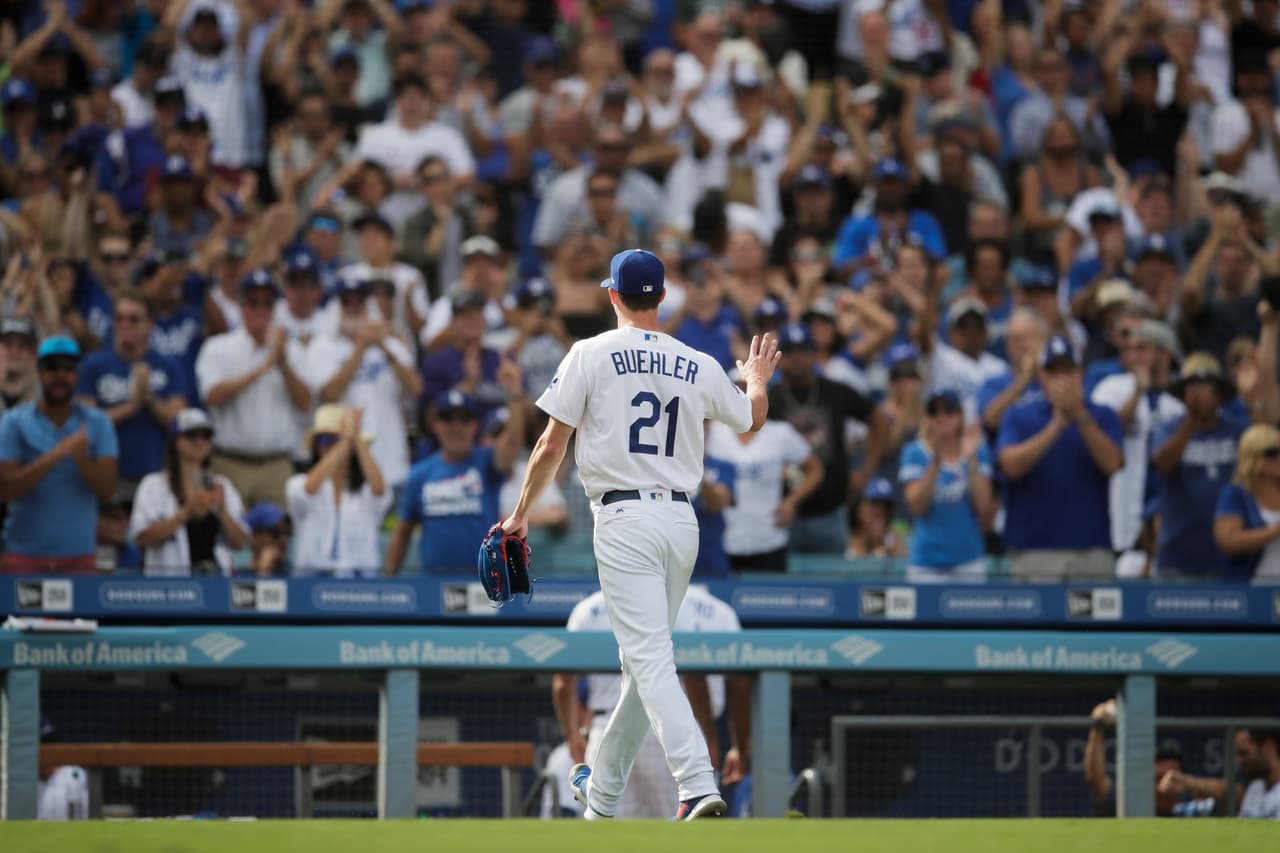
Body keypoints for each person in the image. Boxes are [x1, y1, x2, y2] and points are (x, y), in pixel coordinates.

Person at [499, 248, 780, 820]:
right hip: (682, 521)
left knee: (649, 658)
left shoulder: (590, 352)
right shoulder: (696, 360)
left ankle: (697, 782)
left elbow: (553, 443)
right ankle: (601, 798)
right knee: (639, 664)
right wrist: (754, 379)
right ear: (663, 297)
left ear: (612, 295)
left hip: (625, 518)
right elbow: (752, 417)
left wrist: (521, 512)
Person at [553, 585, 748, 819]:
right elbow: (695, 679)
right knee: (681, 835)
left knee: (609, 835)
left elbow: (563, 684)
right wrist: (708, 736)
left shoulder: (587, 610)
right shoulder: (678, 604)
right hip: (664, 728)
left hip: (606, 730)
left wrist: (573, 735)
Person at [997, 336, 1124, 582]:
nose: (1059, 377)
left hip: (1090, 552)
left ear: (1080, 373)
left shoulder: (1103, 415)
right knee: (1036, 621)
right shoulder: (1018, 416)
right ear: (1040, 376)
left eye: (1066, 369)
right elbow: (1010, 466)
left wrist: (1078, 415)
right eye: (1051, 370)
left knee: (1090, 621)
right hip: (1033, 552)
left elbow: (1113, 464)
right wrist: (1056, 426)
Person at [195, 269, 313, 508]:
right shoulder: (218, 348)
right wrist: (261, 369)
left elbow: (305, 403)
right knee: (228, 539)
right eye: (253, 302)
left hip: (276, 464)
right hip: (229, 461)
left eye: (267, 303)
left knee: (279, 537)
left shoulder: (293, 351)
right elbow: (212, 396)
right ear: (241, 306)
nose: (260, 310)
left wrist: (283, 365)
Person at [767, 321, 886, 554]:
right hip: (785, 512)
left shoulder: (835, 391)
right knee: (783, 589)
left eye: (804, 351)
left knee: (834, 584)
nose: (798, 358)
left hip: (831, 510)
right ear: (779, 359)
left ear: (815, 355)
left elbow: (879, 420)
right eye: (790, 352)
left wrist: (867, 470)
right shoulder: (771, 399)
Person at [0, 336, 117, 573]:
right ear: (39, 371)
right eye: (52, 368)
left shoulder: (98, 422)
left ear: (78, 373)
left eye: (68, 369)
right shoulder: (13, 421)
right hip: (22, 556)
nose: (60, 376)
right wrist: (57, 455)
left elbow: (107, 491)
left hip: (80, 558)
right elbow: (5, 490)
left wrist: (82, 460)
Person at [385, 381, 524, 575]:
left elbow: (512, 444)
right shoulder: (420, 474)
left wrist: (514, 393)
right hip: (433, 583)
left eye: (464, 418)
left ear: (475, 425)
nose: (456, 426)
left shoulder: (487, 461)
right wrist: (389, 581)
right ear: (436, 425)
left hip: (485, 580)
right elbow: (402, 532)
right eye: (447, 418)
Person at [305, 276, 421, 491]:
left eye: (359, 301)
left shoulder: (392, 345)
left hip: (391, 462)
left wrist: (384, 347)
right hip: (343, 469)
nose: (353, 307)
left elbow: (415, 388)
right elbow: (330, 393)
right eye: (347, 301)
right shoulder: (322, 347)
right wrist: (361, 348)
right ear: (337, 307)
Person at [705, 372, 822, 573]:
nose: (743, 394)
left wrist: (791, 502)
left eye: (749, 388)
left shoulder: (780, 433)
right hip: (721, 539)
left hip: (769, 537)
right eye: (738, 388)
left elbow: (815, 469)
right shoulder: (712, 431)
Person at [76, 290, 188, 492]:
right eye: (119, 318)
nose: (125, 325)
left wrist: (149, 399)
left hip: (156, 476)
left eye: (134, 319)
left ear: (150, 324)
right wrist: (130, 407)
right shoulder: (93, 365)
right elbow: (85, 425)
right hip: (108, 476)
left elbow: (179, 422)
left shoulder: (169, 366)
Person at [1151, 354, 1248, 580]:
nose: (1201, 391)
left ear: (1221, 393)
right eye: (1193, 384)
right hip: (1177, 559)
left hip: (1230, 558)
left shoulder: (1239, 431)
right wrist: (1191, 421)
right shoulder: (1167, 429)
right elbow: (1162, 464)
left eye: (1208, 385)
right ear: (1183, 392)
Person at [129, 407, 248, 576]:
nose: (199, 442)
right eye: (192, 435)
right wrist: (185, 513)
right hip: (170, 587)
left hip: (217, 585)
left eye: (206, 436)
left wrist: (222, 512)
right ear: (176, 441)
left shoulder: (223, 486)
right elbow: (142, 538)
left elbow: (240, 543)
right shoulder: (153, 485)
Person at [900, 390, 993, 584]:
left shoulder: (978, 451)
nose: (941, 417)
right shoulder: (914, 452)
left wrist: (972, 460)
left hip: (968, 560)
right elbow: (916, 506)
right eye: (934, 412)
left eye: (949, 411)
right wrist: (936, 461)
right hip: (926, 562)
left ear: (960, 416)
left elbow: (983, 505)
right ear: (928, 418)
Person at [286, 405, 389, 578]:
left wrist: (355, 439)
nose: (332, 446)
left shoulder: (364, 489)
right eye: (326, 440)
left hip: (360, 581)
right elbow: (308, 490)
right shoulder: (298, 483)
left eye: (337, 440)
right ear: (316, 446)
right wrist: (345, 442)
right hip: (310, 580)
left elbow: (380, 490)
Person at [1083, 699, 1206, 818]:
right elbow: (1096, 780)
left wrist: (1190, 783)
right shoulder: (1128, 803)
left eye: (1173, 779)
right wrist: (1097, 727)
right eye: (1158, 778)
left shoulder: (1188, 808)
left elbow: (1223, 792)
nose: (1165, 785)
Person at [1214, 424, 1280, 583]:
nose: (1279, 458)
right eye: (1272, 453)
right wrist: (1274, 531)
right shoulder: (1236, 494)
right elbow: (1228, 542)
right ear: (1252, 457)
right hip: (1251, 594)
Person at [244, 501, 290, 577]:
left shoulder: (296, 571)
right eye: (276, 533)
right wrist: (263, 570)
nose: (284, 539)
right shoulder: (233, 570)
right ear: (256, 535)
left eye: (287, 532)